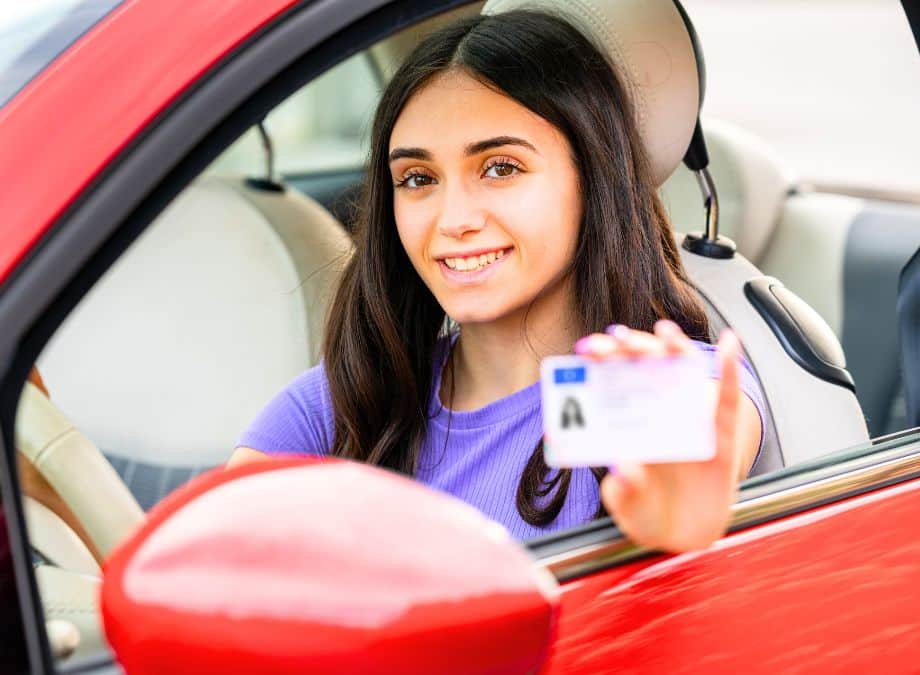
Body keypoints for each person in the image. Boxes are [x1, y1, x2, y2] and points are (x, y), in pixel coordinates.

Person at [228, 10, 765, 553]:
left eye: (500, 167)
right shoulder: (347, 400)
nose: (453, 219)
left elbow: (700, 439)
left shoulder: (654, 383)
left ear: (592, 179)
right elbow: (212, 570)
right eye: (417, 179)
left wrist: (681, 504)